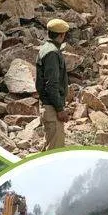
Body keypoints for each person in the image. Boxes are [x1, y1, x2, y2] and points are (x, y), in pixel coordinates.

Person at [35, 18, 71, 150]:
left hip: (48, 105)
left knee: (50, 146)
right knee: (55, 151)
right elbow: (51, 84)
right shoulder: (52, 53)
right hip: (51, 108)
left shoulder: (46, 49)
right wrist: (60, 109)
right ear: (62, 35)